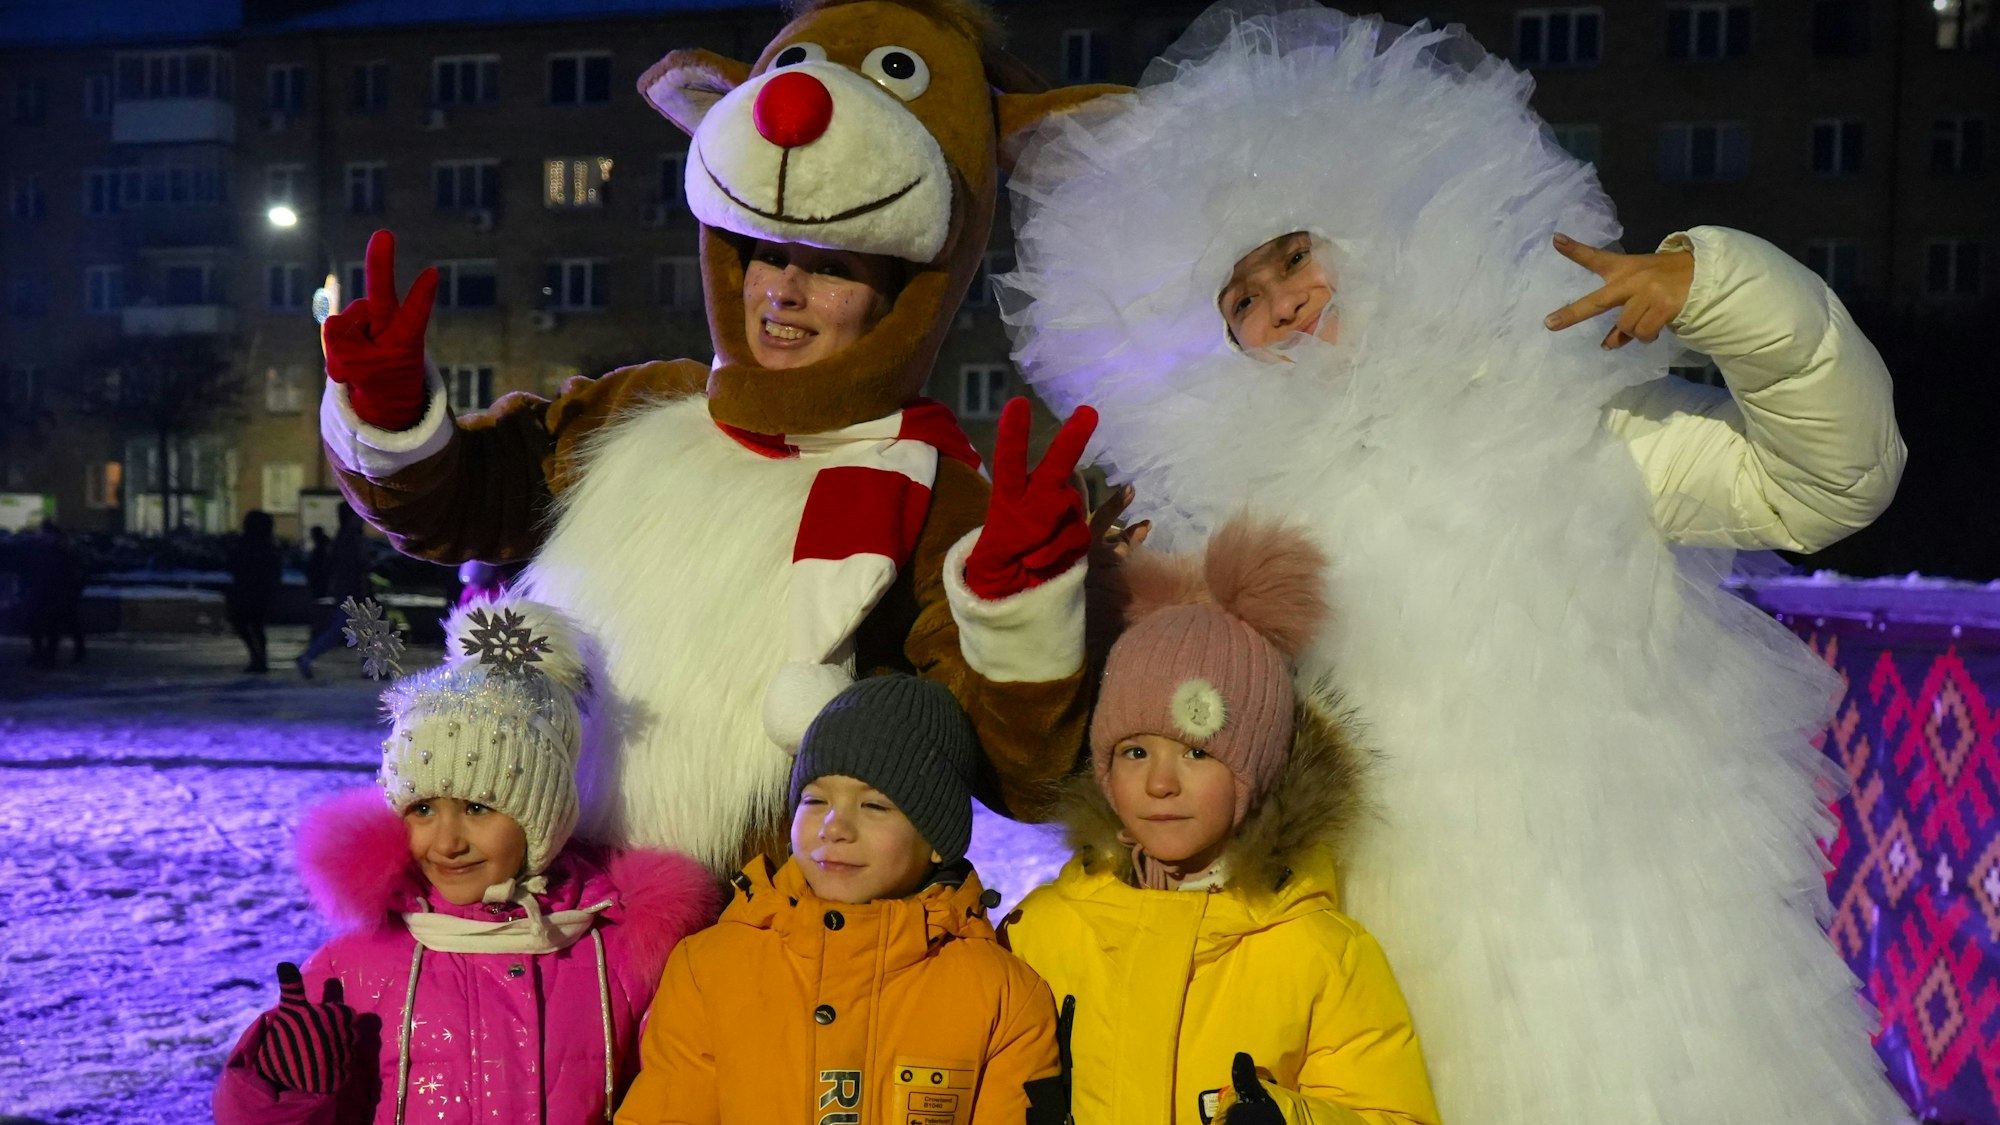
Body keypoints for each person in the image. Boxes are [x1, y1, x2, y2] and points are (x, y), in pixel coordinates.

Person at [996, 5, 1905, 1123]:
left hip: (1615, 972)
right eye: (1240, 301)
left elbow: (1825, 484)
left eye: (1292, 255)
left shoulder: (1565, 421)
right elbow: (1156, 751)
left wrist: (1721, 295)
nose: (1282, 301)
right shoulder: (1230, 530)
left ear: (1363, 230)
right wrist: (1090, 594)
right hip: (1368, 984)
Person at [214, 596, 718, 1123]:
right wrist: (280, 1091)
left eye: (479, 808)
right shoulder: (357, 966)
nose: (447, 842)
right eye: (424, 808)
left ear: (542, 818)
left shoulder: (628, 956)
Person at [1002, 517, 1438, 1125]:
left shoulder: (1317, 952)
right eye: (1134, 752)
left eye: (1197, 753)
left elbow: (1394, 1114)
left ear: (1254, 769)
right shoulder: (1042, 931)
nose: (1160, 782)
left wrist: (1289, 1119)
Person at [614, 674, 1060, 1124]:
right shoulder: (707, 968)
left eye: (874, 806)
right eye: (814, 801)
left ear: (937, 840)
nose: (835, 827)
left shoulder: (1003, 995)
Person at [295, 503, 368, 678]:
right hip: (351, 592)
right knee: (351, 629)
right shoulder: (350, 540)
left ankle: (371, 666)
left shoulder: (344, 539)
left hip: (347, 591)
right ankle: (307, 656)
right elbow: (356, 568)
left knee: (357, 629)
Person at [226, 511, 283, 673]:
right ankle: (259, 657)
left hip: (247, 589)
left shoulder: (247, 544)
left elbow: (235, 564)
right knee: (255, 625)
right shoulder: (267, 546)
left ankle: (257, 657)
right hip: (258, 591)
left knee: (244, 623)